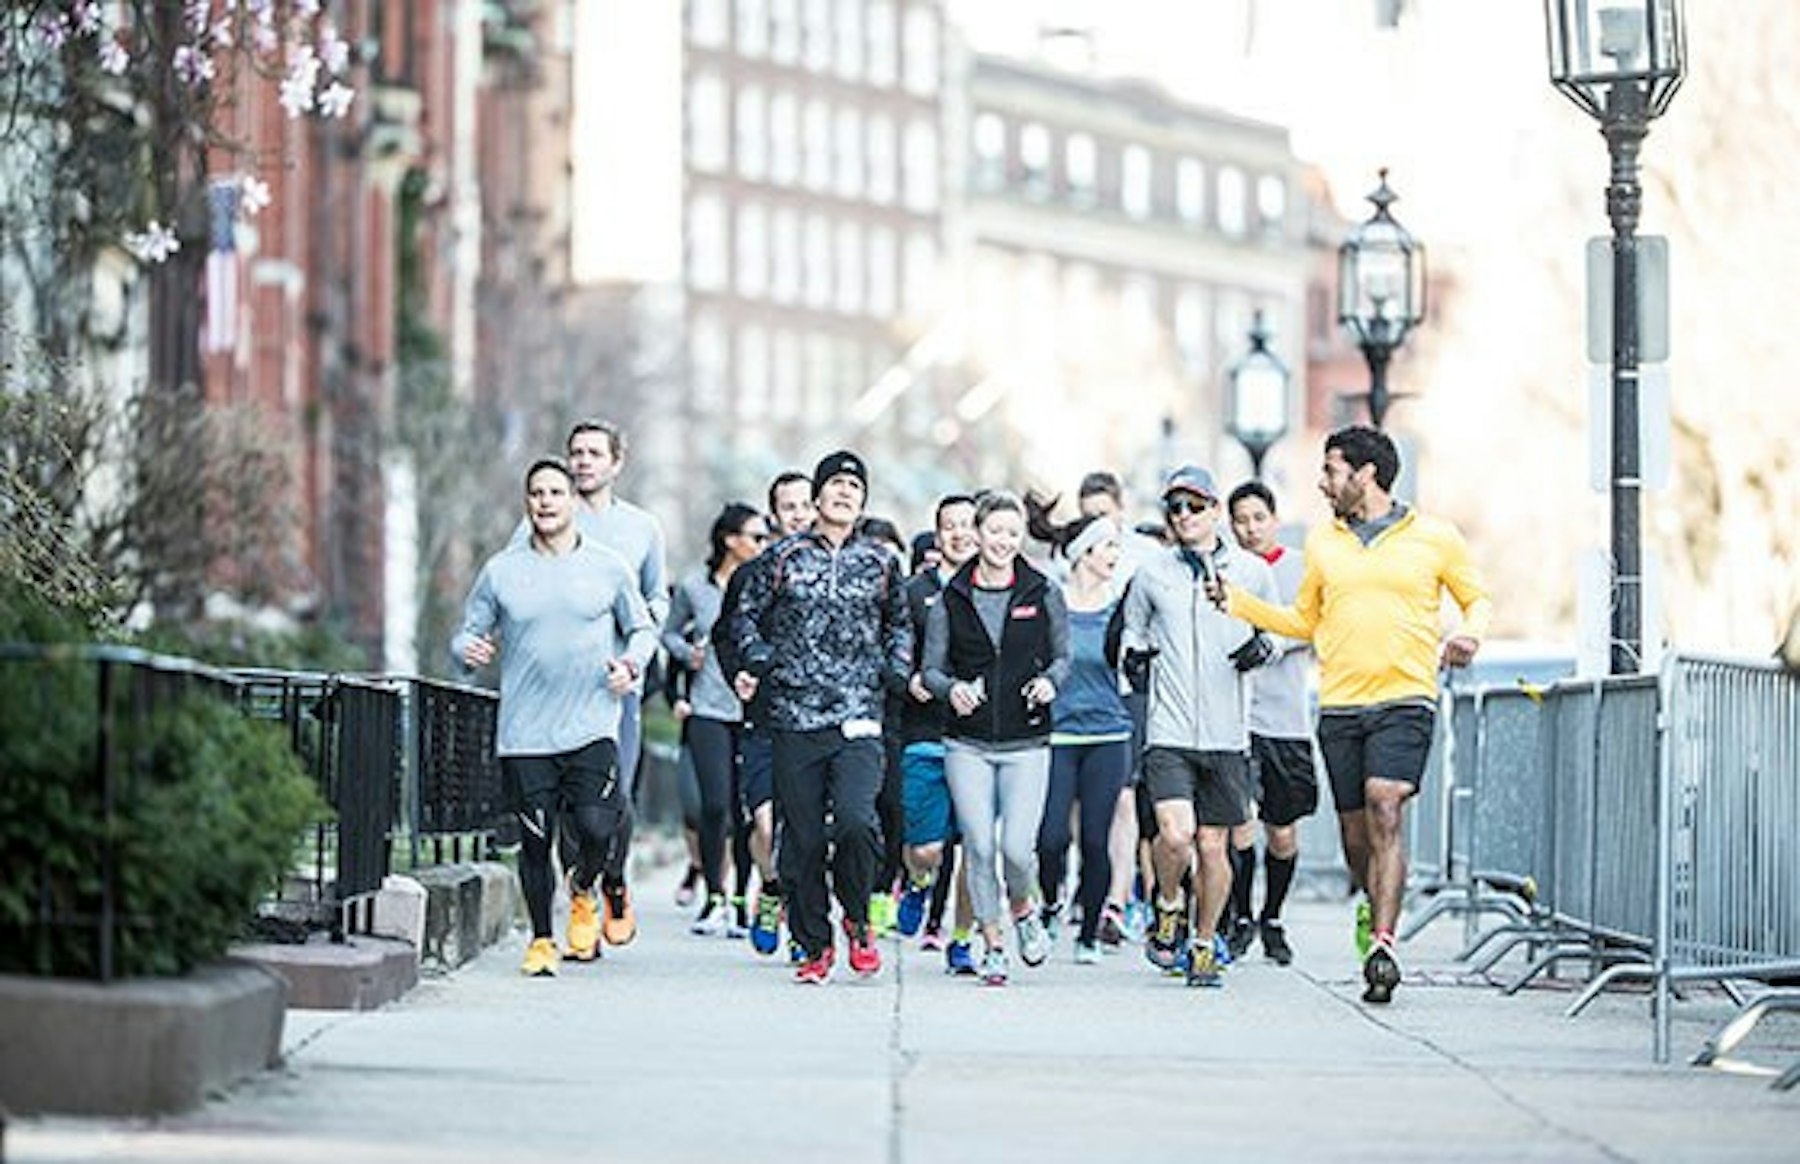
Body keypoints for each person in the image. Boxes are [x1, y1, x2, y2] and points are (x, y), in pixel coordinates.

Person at [1216, 425, 1491, 1004]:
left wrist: (1470, 633)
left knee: (1385, 802)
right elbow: (1304, 621)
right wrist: (1239, 604)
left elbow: (1476, 598)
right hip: (1340, 703)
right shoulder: (1324, 543)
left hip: (1406, 696)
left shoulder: (1435, 537)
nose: (1322, 483)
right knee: (1354, 830)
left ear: (1366, 474)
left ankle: (1385, 944)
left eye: (1332, 471)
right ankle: (1374, 904)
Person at [452, 458, 657, 976]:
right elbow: (466, 634)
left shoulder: (610, 567)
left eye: (555, 493)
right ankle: (543, 939)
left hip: (592, 722)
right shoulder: (502, 570)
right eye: (536, 493)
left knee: (595, 826)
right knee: (537, 839)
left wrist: (630, 666)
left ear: (572, 503)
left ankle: (584, 886)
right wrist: (468, 651)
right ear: (528, 503)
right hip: (525, 732)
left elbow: (643, 630)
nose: (545, 501)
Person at [726, 450, 911, 984]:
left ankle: (856, 917)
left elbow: (900, 624)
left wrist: (897, 667)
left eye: (855, 486)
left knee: (856, 822)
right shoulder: (782, 558)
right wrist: (756, 657)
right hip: (795, 715)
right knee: (803, 839)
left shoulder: (881, 562)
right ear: (818, 495)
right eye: (835, 484)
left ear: (863, 499)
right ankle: (813, 943)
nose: (845, 493)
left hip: (859, 715)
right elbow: (743, 617)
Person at [511, 420, 669, 943]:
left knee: (611, 796)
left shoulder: (643, 529)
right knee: (562, 804)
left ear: (616, 463)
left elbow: (657, 599)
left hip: (614, 688)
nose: (582, 462)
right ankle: (582, 897)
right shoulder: (538, 523)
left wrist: (634, 657)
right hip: (553, 694)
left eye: (594, 453)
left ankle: (613, 881)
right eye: (575, 453)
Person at [1123, 465, 1278, 988]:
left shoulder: (1252, 572)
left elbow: (1280, 630)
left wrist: (1264, 648)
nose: (1184, 516)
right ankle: (1168, 902)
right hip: (1169, 731)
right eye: (1176, 508)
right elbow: (1133, 632)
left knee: (1215, 847)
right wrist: (1134, 660)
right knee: (1175, 835)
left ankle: (1204, 942)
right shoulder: (1152, 573)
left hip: (1227, 734)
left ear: (1216, 511)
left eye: (1195, 506)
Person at [923, 491, 1070, 986]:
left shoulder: (1042, 591)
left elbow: (1062, 658)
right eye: (995, 531)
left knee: (1015, 849)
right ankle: (992, 943)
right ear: (978, 532)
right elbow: (932, 670)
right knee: (979, 847)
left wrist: (1051, 682)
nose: (1004, 541)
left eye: (1013, 532)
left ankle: (1024, 910)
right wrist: (954, 689)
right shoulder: (952, 597)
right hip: (966, 742)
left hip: (1027, 741)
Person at [1025, 498, 1133, 965]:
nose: (1114, 553)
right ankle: (1050, 902)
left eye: (1117, 545)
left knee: (1095, 839)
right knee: (1050, 838)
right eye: (1107, 545)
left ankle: (1089, 934)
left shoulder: (1121, 609)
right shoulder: (1052, 604)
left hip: (1108, 734)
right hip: (1056, 737)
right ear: (1084, 553)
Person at [715, 470, 816, 957]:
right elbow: (725, 634)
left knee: (806, 829)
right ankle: (772, 889)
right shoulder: (750, 575)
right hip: (762, 717)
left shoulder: (836, 572)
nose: (797, 515)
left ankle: (802, 924)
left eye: (804, 505)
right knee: (767, 826)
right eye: (788, 507)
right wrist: (739, 672)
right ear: (774, 515)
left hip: (816, 719)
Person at [1223, 479, 1319, 966]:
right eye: (1240, 520)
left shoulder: (1302, 568)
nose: (1250, 528)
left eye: (1258, 518)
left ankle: (1272, 917)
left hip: (1286, 720)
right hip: (1237, 720)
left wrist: (1275, 643)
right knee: (1240, 824)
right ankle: (1240, 917)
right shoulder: (1226, 570)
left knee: (1281, 832)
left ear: (1274, 520)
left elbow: (1318, 625)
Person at [663, 502, 769, 937]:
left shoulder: (766, 586)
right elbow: (667, 632)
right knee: (713, 805)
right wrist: (689, 654)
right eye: (756, 537)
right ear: (731, 540)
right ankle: (714, 896)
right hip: (708, 708)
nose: (763, 545)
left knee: (745, 812)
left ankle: (743, 898)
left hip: (752, 711)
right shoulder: (694, 587)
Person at [895, 494, 982, 974]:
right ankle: (918, 883)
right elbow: (897, 649)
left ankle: (963, 939)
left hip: (982, 736)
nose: (960, 533)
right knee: (926, 849)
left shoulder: (995, 589)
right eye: (950, 525)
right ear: (937, 533)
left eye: (968, 524)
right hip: (925, 729)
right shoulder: (913, 592)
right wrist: (908, 679)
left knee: (975, 843)